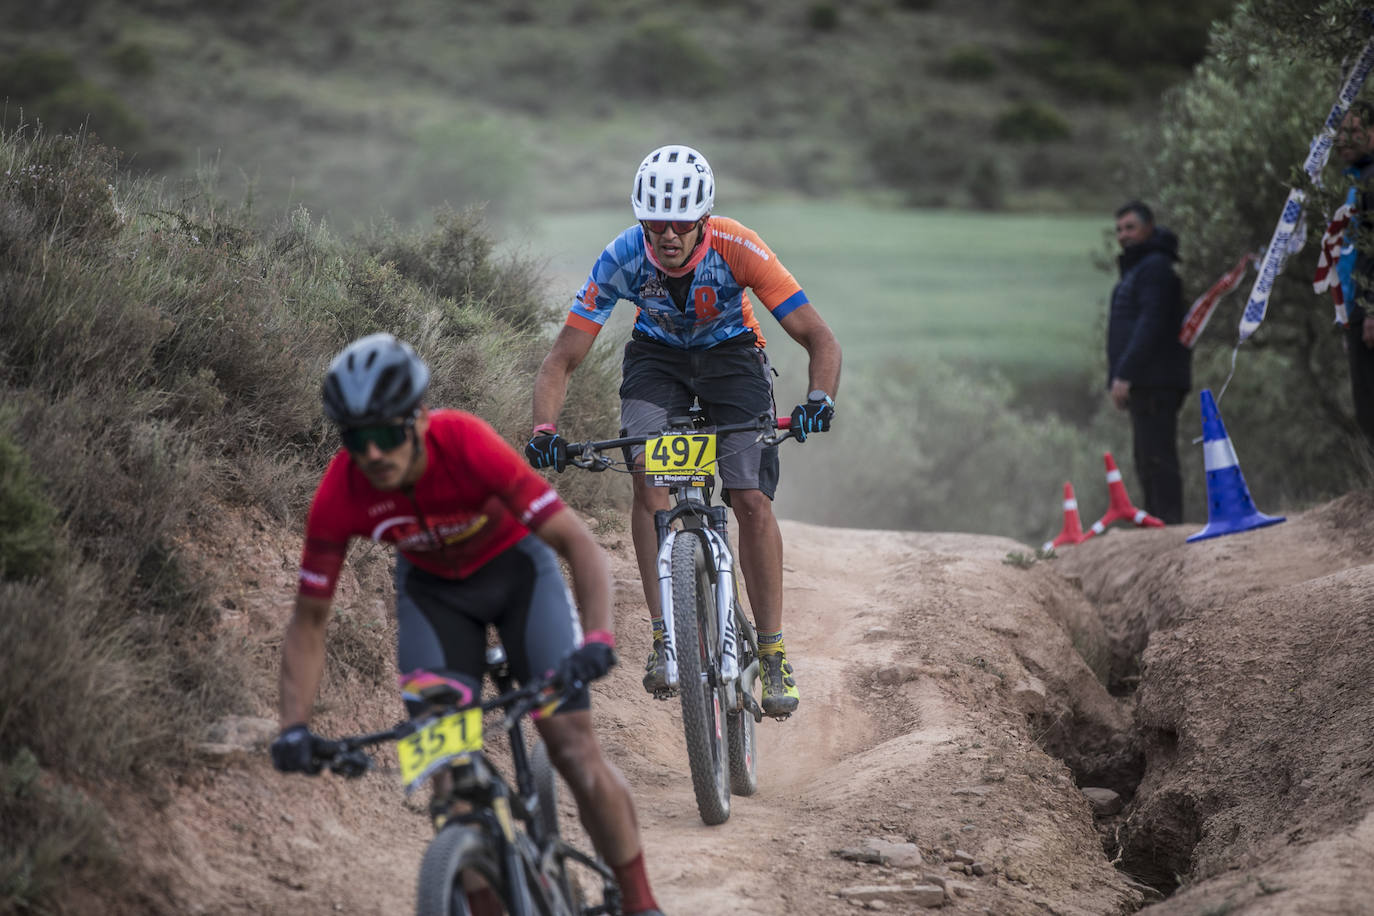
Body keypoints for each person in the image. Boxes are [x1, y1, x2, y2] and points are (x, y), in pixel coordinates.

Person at [269, 333, 663, 916]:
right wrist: (294, 726)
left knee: (573, 749)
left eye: (385, 433)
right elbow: (309, 620)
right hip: (435, 599)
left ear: (420, 420)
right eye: (356, 439)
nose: (372, 454)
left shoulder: (465, 442)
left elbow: (579, 545)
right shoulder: (341, 491)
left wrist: (599, 638)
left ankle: (639, 901)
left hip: (519, 580)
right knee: (446, 778)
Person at [525, 144, 842, 719]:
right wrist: (545, 426)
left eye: (680, 223)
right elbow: (562, 358)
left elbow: (819, 337)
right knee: (649, 483)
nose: (667, 235)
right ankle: (664, 635)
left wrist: (819, 397)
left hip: (732, 357)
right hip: (658, 361)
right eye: (655, 224)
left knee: (748, 496)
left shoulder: (738, 245)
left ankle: (771, 651)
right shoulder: (623, 257)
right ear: (641, 220)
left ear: (703, 219)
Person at [1106, 200, 1191, 525]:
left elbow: (1150, 324)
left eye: (1130, 227)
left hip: (1156, 378)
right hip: (1146, 379)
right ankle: (1157, 523)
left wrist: (1124, 373)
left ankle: (1167, 525)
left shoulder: (1154, 268)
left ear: (1149, 227)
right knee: (1146, 457)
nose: (1123, 235)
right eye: (1119, 229)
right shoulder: (1140, 268)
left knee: (1157, 456)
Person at [1335, 102, 1374, 450]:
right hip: (1355, 311)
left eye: (1353, 132)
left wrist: (1372, 309)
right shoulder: (1357, 182)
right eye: (1339, 133)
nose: (1342, 140)